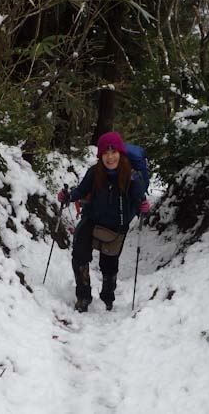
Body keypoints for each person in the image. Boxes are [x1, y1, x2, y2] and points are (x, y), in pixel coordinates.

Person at [58, 132, 150, 312]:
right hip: (92, 218)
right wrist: (68, 196)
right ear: (100, 155)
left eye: (113, 152)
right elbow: (82, 190)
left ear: (120, 153)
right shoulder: (95, 172)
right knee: (79, 254)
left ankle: (108, 297)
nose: (110, 157)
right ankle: (83, 296)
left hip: (116, 224)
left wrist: (143, 208)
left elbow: (139, 201)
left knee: (108, 264)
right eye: (105, 153)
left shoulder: (131, 177)